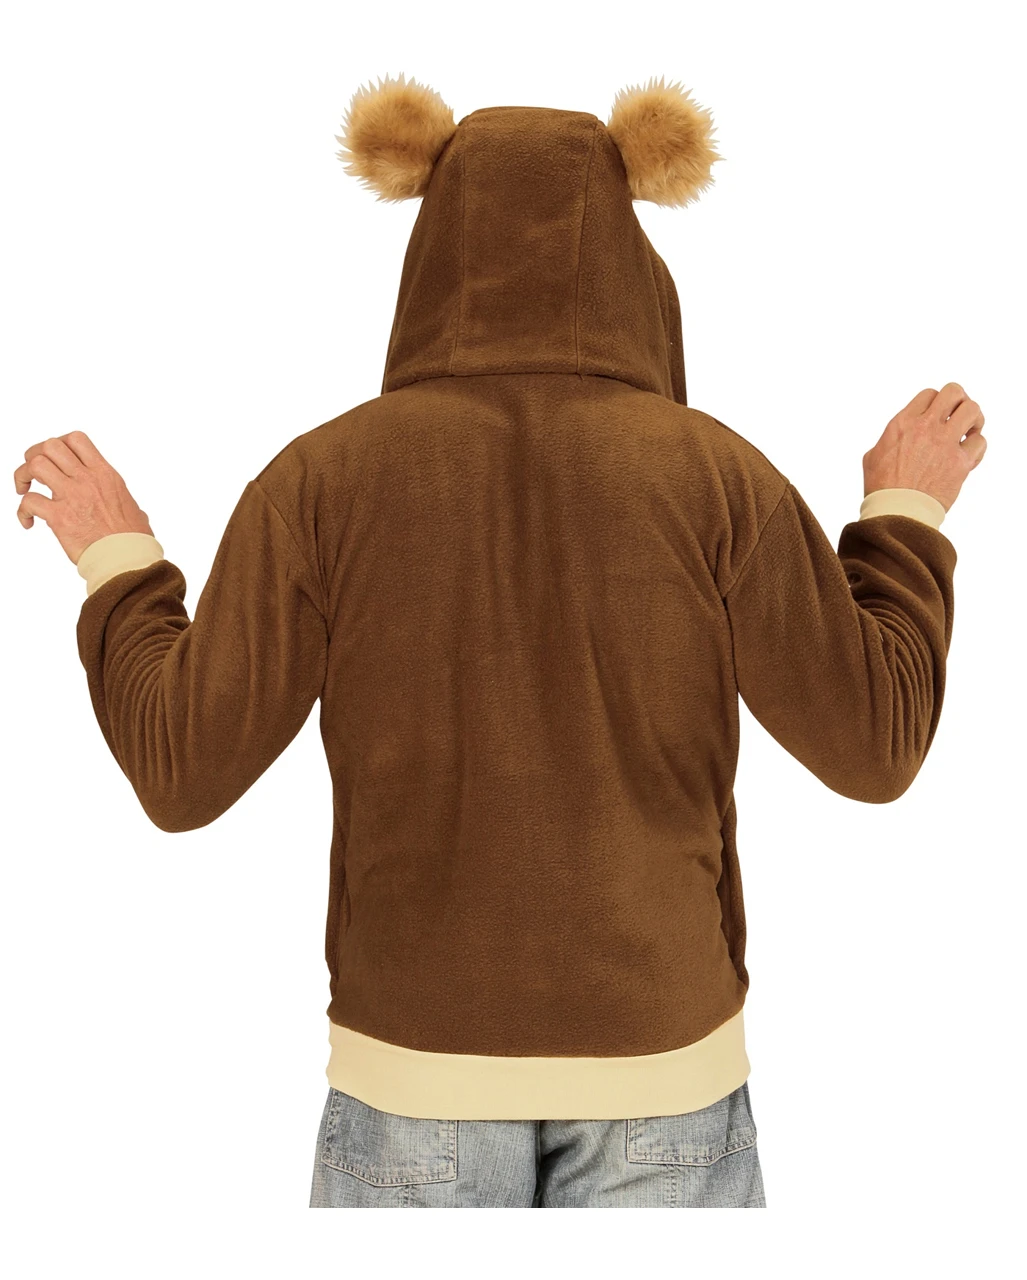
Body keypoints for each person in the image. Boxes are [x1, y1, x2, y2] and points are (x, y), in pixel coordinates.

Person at [13, 73, 987, 1209]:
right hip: (664, 1071)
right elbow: (875, 745)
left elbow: (181, 770)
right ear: (631, 252)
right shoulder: (714, 477)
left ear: (430, 251)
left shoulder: (321, 483)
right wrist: (903, 516)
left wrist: (118, 556)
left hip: (410, 1074)